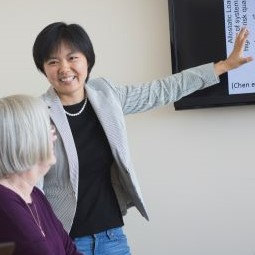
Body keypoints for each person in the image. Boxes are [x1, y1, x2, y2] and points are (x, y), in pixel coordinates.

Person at [32, 22, 252, 255]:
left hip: (112, 237)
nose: (64, 68)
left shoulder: (107, 96)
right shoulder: (36, 115)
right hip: (64, 241)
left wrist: (222, 67)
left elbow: (161, 90)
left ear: (87, 59)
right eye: (53, 62)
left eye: (72, 57)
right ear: (44, 69)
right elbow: (26, 184)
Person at [0, 95, 82, 255]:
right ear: (24, 140)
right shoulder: (4, 204)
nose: (54, 136)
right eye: (47, 128)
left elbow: (70, 250)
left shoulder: (35, 194)